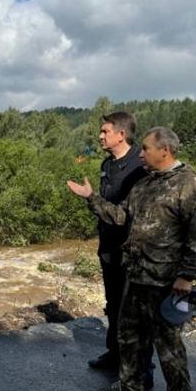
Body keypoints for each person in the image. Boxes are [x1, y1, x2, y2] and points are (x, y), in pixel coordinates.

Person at [67, 126, 196, 391]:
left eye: (146, 148)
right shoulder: (145, 183)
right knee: (128, 333)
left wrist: (187, 276)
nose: (141, 153)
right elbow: (121, 217)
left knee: (168, 345)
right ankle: (131, 385)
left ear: (165, 151)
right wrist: (91, 198)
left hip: (165, 280)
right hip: (136, 273)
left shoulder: (190, 185)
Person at [81, 112, 149, 375]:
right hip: (108, 247)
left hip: (131, 251)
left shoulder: (139, 165)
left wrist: (90, 198)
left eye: (105, 131)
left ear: (121, 134)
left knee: (133, 311)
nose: (100, 136)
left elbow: (126, 215)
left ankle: (140, 368)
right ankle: (115, 353)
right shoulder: (107, 164)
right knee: (112, 303)